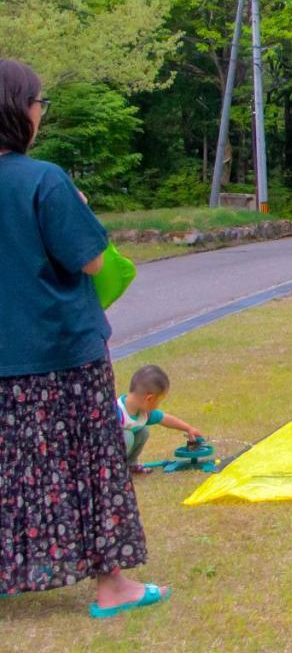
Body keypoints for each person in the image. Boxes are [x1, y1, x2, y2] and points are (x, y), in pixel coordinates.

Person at [0, 59, 169, 617]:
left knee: (12, 470)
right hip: (60, 354)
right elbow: (94, 259)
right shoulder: (43, 180)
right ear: (18, 110)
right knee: (91, 463)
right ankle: (112, 584)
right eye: (37, 103)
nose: (39, 113)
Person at [119, 365, 203, 475]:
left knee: (143, 431)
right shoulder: (116, 412)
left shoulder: (143, 412)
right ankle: (116, 470)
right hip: (105, 457)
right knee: (127, 436)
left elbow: (164, 418)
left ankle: (131, 465)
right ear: (149, 399)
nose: (158, 406)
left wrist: (188, 428)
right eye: (159, 401)